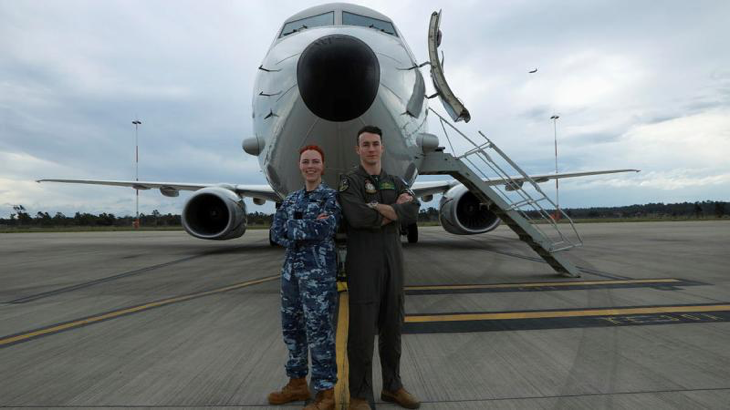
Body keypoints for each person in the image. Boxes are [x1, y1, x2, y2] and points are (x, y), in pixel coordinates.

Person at [338, 126, 421, 410]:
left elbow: (413, 210)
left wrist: (379, 208)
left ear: (382, 148)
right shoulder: (349, 182)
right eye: (365, 144)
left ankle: (392, 386)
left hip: (393, 262)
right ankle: (359, 394)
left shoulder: (396, 181)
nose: (371, 149)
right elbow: (356, 216)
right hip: (364, 264)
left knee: (392, 327)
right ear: (357, 150)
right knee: (361, 332)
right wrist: (394, 211)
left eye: (375, 144)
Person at [269, 145, 341, 410]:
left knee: (320, 333)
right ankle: (297, 383)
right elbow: (276, 233)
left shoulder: (329, 198)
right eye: (305, 161)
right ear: (299, 166)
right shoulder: (291, 199)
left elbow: (326, 228)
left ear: (323, 166)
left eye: (315, 161)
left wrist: (293, 228)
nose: (310, 166)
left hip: (318, 278)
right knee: (292, 330)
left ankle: (325, 392)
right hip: (291, 277)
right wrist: (304, 228)